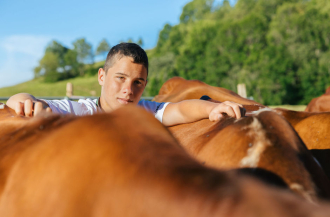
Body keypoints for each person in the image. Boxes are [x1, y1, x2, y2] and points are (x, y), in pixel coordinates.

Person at [6, 43, 245, 126]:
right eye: (120, 78)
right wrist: (23, 99)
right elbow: (21, 100)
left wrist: (211, 108)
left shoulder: (146, 111)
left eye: (138, 82)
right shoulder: (80, 111)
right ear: (102, 76)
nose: (128, 90)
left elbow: (180, 108)